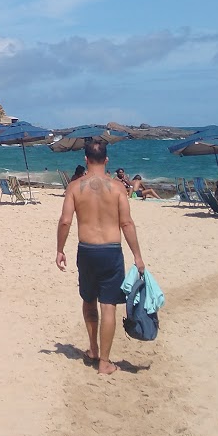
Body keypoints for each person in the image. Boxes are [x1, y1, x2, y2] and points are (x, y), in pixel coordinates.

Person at [56, 138, 145, 376]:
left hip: (86, 251)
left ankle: (93, 348)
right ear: (106, 160)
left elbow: (65, 221)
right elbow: (126, 223)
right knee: (109, 306)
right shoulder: (117, 188)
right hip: (111, 251)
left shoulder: (75, 187)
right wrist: (137, 256)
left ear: (85, 159)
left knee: (88, 299)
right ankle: (104, 361)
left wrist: (60, 249)